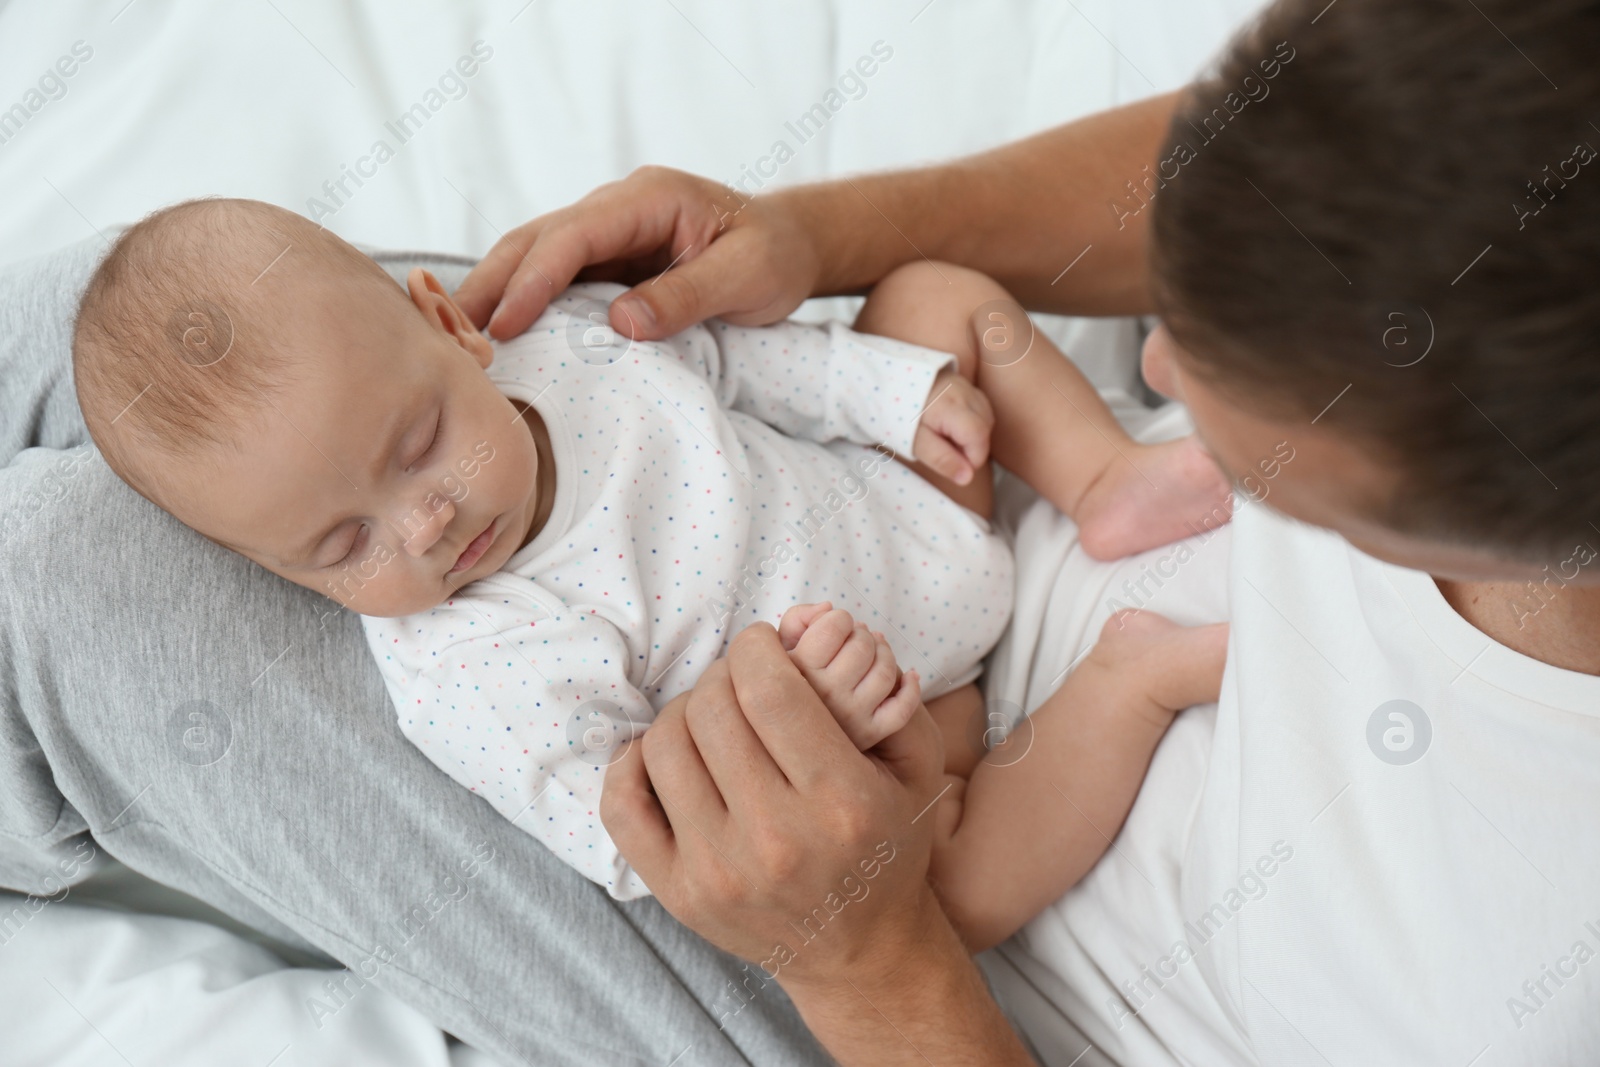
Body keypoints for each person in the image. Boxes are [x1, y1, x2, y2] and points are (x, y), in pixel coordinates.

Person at [450, 0, 1600, 1063]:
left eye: (1247, 425)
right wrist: (813, 231)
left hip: (903, 964)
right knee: (340, 372)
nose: (1150, 361)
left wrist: (867, 968)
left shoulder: (1528, 973)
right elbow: (1332, 162)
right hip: (918, 545)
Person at [69, 195, 1227, 933]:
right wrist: (816, 736)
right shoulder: (470, 666)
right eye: (340, 546)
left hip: (917, 498)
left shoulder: (565, 338)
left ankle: (1100, 476)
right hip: (902, 717)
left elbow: (743, 363)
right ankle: (1125, 682)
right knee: (955, 893)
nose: (421, 524)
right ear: (290, 576)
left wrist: (888, 394)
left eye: (418, 444)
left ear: (449, 321)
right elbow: (640, 838)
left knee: (927, 300)